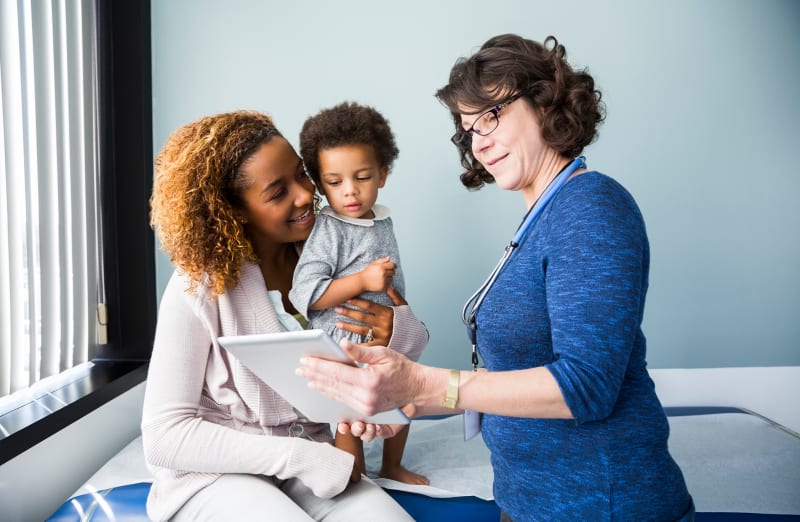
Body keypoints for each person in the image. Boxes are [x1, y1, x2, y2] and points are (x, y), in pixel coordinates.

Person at [298, 34, 695, 521]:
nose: (478, 140)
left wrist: (424, 382)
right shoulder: (542, 220)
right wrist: (405, 399)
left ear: (545, 102)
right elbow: (516, 374)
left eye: (491, 115)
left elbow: (587, 385)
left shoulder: (590, 208)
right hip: (529, 502)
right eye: (468, 128)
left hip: (600, 504)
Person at [142, 110, 428, 521]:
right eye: (278, 192)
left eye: (302, 175)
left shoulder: (329, 249)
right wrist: (303, 458)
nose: (303, 196)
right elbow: (164, 438)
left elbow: (398, 337)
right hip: (217, 474)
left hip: (313, 462)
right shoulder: (199, 283)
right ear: (235, 210)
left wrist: (395, 328)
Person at [289, 101, 428, 486]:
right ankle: (356, 476)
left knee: (402, 399)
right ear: (320, 184)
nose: (350, 191)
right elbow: (306, 293)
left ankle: (392, 466)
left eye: (362, 177)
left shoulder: (381, 219)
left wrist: (404, 319)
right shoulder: (329, 229)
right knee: (349, 417)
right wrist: (363, 281)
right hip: (345, 344)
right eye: (334, 183)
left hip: (387, 338)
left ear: (382, 175)